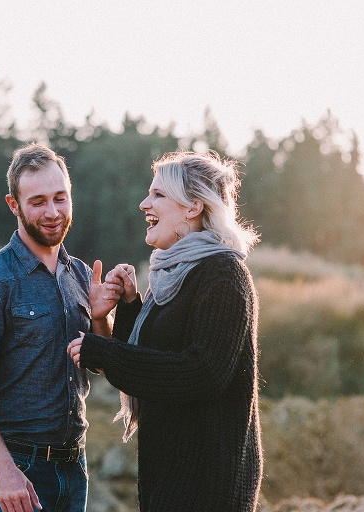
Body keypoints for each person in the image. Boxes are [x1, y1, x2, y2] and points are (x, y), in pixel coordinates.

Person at [67, 150, 262, 511]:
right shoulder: (174, 275)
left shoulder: (223, 275)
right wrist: (128, 307)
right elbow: (155, 360)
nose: (144, 204)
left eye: (158, 194)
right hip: (170, 475)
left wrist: (104, 351)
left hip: (207, 485)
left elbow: (202, 373)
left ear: (193, 207)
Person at [0, 143, 117, 512]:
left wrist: (101, 317)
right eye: (38, 202)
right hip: (19, 469)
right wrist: (2, 468)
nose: (52, 212)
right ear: (14, 205)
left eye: (60, 198)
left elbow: (102, 364)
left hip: (74, 466)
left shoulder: (81, 275)